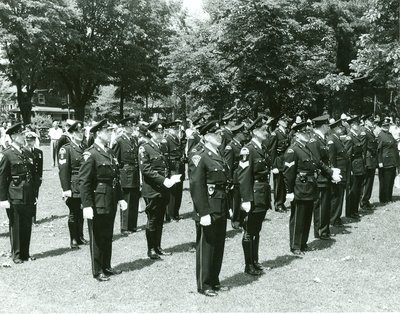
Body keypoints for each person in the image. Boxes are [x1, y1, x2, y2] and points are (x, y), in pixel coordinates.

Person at [79, 119, 127, 281]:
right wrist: (87, 205)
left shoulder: (110, 152)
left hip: (111, 199)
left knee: (107, 234)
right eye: (107, 131)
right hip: (98, 199)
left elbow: (116, 177)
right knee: (98, 236)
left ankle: (106, 265)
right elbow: (84, 182)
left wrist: (120, 198)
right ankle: (97, 269)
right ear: (98, 133)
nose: (110, 134)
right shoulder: (90, 154)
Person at [189, 120, 230, 297]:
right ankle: (204, 284)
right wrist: (203, 211)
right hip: (208, 207)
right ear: (206, 136)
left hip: (220, 204)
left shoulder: (217, 153)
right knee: (206, 246)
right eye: (216, 134)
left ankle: (214, 280)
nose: (220, 136)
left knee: (218, 245)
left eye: (220, 133)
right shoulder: (199, 155)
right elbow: (197, 185)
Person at [237, 117, 271, 276]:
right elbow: (243, 177)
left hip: (262, 193)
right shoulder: (248, 150)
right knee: (249, 230)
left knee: (257, 229)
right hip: (254, 194)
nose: (266, 132)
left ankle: (255, 260)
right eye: (263, 130)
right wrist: (246, 199)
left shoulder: (261, 148)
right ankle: (248, 264)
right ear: (255, 132)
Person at [0, 123, 36, 263]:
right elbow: (2, 177)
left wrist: (34, 193)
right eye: (21, 134)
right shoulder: (6, 154)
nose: (24, 137)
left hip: (27, 193)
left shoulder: (26, 152)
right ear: (14, 136)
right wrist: (3, 198)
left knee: (27, 223)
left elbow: (31, 174)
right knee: (16, 225)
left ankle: (25, 253)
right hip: (14, 194)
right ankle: (16, 254)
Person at [138, 120, 174, 259]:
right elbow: (146, 170)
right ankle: (151, 249)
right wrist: (163, 180)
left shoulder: (162, 146)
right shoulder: (145, 148)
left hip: (163, 188)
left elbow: (166, 166)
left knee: (160, 219)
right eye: (157, 132)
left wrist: (170, 179)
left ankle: (158, 247)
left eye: (162, 132)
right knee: (152, 219)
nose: (160, 134)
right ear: (151, 133)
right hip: (152, 189)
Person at [58, 121, 88, 249]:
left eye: (82, 132)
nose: (80, 134)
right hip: (73, 185)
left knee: (81, 212)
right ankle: (74, 239)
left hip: (84, 185)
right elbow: (63, 171)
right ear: (71, 134)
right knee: (73, 213)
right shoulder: (66, 149)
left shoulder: (84, 147)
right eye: (77, 132)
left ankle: (80, 236)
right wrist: (66, 189)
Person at [112, 116, 141, 235]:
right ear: (123, 128)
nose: (131, 128)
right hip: (125, 173)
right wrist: (118, 175)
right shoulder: (119, 140)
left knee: (134, 199)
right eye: (128, 126)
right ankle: (124, 227)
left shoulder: (134, 139)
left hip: (134, 172)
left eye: (132, 126)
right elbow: (114, 159)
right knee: (126, 199)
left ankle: (132, 226)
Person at [307, 115, 333, 240]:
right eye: (327, 125)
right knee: (321, 205)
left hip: (325, 176)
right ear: (323, 126)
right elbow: (317, 161)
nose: (329, 127)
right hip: (320, 177)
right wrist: (330, 171)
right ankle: (320, 231)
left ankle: (325, 229)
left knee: (326, 204)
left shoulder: (322, 139)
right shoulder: (314, 140)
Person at [223, 123, 246, 229]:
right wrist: (229, 180)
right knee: (235, 200)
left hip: (241, 175)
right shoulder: (230, 147)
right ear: (237, 134)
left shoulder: (240, 145)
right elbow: (228, 165)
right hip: (235, 176)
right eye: (242, 132)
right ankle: (235, 220)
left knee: (241, 198)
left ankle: (241, 218)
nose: (244, 133)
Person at [327, 119, 348, 226]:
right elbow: (331, 159)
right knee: (336, 196)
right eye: (340, 127)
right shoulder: (332, 140)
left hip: (342, 171)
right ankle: (333, 218)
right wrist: (333, 174)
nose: (341, 129)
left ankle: (337, 217)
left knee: (339, 196)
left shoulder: (337, 139)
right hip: (338, 172)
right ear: (335, 128)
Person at [164, 120, 185, 221]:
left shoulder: (177, 138)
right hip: (172, 167)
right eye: (174, 128)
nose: (176, 130)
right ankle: (170, 214)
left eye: (177, 128)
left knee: (178, 191)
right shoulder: (167, 139)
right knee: (172, 192)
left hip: (179, 166)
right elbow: (165, 156)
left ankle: (176, 212)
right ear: (169, 129)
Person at [345, 116, 366, 219]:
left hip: (359, 165)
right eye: (356, 124)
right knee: (353, 190)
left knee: (358, 189)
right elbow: (348, 155)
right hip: (353, 166)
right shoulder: (350, 137)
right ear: (352, 125)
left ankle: (355, 210)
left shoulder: (356, 136)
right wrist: (350, 170)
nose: (358, 126)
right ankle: (350, 212)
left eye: (358, 124)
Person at [269, 115, 290, 212]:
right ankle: (278, 204)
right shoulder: (275, 133)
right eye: (284, 121)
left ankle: (282, 201)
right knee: (279, 184)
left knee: (284, 183)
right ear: (280, 122)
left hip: (285, 160)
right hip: (278, 161)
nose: (286, 122)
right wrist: (273, 165)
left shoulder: (286, 132)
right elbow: (272, 150)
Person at [377, 117, 399, 203]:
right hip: (385, 162)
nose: (386, 127)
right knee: (385, 181)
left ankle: (389, 197)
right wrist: (380, 162)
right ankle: (384, 198)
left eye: (388, 125)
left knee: (390, 181)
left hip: (392, 161)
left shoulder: (390, 134)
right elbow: (379, 150)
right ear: (382, 126)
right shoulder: (380, 135)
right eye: (384, 125)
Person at [24, 131, 43, 224]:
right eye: (27, 140)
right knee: (28, 198)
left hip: (35, 179)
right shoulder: (23, 151)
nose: (29, 142)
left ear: (34, 141)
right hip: (27, 178)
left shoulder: (39, 152)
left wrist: (40, 178)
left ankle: (33, 219)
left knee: (35, 197)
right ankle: (27, 218)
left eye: (31, 140)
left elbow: (40, 167)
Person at [360, 114, 378, 210]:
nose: (373, 122)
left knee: (370, 182)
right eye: (371, 121)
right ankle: (363, 202)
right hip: (367, 159)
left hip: (372, 159)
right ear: (366, 121)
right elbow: (363, 148)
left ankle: (366, 200)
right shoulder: (364, 132)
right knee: (366, 181)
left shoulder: (371, 132)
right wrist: (364, 162)